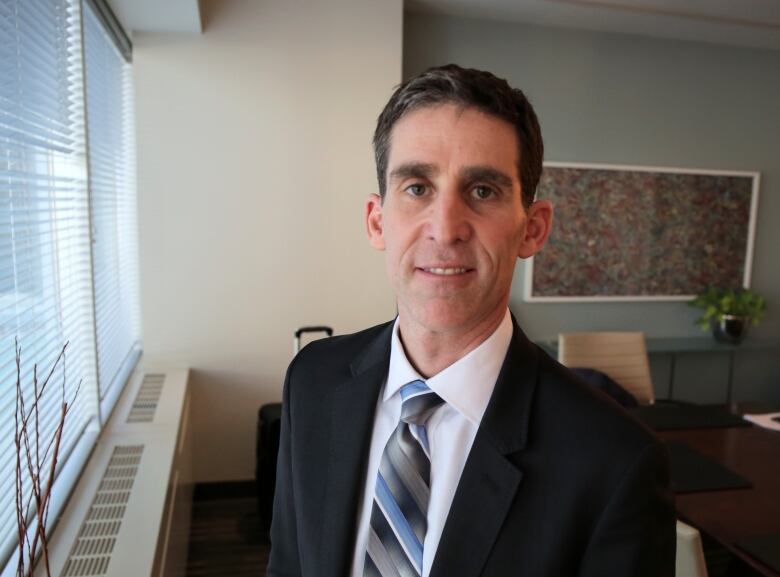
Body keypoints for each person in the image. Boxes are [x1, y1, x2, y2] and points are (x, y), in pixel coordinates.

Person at [267, 64, 675, 577]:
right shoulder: (312, 380)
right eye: (417, 187)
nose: (445, 228)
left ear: (533, 230)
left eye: (482, 190)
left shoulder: (616, 462)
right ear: (377, 221)